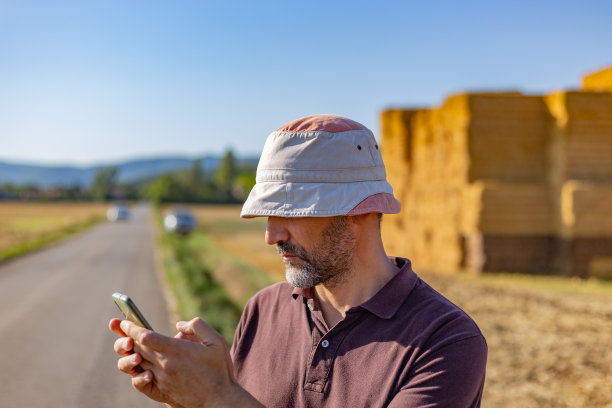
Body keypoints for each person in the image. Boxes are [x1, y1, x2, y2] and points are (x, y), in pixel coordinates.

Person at [110, 114, 487, 407]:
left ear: (357, 211)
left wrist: (218, 396)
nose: (271, 235)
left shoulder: (446, 341)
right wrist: (184, 396)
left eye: (290, 212)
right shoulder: (264, 308)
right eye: (267, 215)